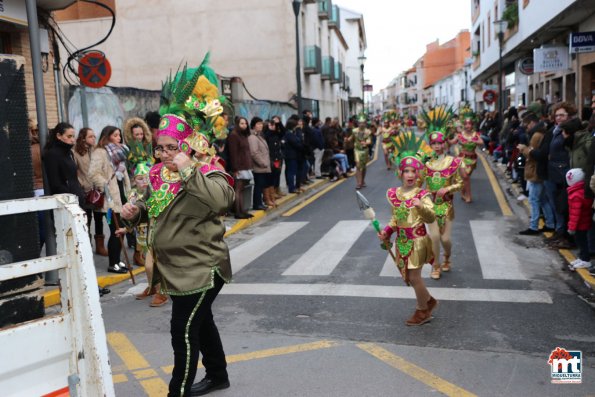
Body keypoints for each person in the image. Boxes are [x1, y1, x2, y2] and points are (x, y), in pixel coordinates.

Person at [122, 55, 235, 396]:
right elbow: (157, 210)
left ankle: (177, 391)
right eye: (160, 148)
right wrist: (136, 212)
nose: (165, 154)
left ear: (187, 146)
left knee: (183, 330)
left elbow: (220, 201)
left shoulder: (209, 168)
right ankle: (218, 375)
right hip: (176, 268)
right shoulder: (157, 174)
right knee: (202, 324)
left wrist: (189, 169)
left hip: (202, 267)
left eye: (173, 148)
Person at [377, 133, 437, 326]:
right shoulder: (395, 194)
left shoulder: (423, 194)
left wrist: (420, 205)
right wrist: (387, 231)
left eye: (413, 171)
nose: (410, 175)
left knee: (414, 277)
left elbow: (431, 217)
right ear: (400, 173)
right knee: (409, 279)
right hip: (402, 242)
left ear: (418, 174)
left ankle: (422, 312)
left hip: (418, 241)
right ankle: (428, 301)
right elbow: (397, 218)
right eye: (406, 171)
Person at [421, 119, 463, 280]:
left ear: (445, 144)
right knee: (434, 237)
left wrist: (448, 188)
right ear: (430, 145)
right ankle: (435, 266)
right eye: (434, 144)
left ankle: (447, 256)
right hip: (430, 205)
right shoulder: (425, 162)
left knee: (445, 239)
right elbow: (418, 184)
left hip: (446, 205)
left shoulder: (453, 162)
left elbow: (460, 183)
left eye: (440, 143)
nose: (437, 146)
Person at [88, 126, 131, 274]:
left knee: (122, 230)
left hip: (122, 197)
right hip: (110, 199)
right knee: (115, 231)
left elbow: (123, 175)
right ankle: (113, 263)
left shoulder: (120, 153)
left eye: (119, 135)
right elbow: (93, 173)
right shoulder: (100, 152)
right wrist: (105, 186)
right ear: (107, 137)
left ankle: (118, 260)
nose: (118, 138)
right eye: (115, 135)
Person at [517, 112, 556, 235]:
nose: (526, 127)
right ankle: (550, 223)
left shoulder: (536, 135)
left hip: (535, 171)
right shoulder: (542, 133)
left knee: (534, 200)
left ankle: (533, 226)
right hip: (540, 171)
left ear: (532, 123)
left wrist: (523, 148)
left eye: (527, 125)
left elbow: (532, 154)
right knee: (543, 199)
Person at [73, 127, 109, 256]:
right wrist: (82, 184)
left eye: (94, 136)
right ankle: (86, 245)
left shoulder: (97, 151)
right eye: (90, 136)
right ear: (83, 138)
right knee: (86, 219)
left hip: (99, 189)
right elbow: (75, 171)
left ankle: (100, 246)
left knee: (99, 217)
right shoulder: (75, 152)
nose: (94, 138)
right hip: (85, 191)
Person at [43, 122, 86, 206]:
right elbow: (55, 182)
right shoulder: (52, 154)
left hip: (76, 197)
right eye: (69, 136)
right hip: (66, 200)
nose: (72, 140)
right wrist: (70, 196)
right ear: (59, 136)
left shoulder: (69, 152)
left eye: (73, 136)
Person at [450, 114, 483, 202]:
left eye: (470, 124)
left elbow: (481, 142)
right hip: (462, 158)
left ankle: (463, 193)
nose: (468, 126)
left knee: (466, 177)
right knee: (465, 177)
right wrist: (445, 137)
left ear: (472, 125)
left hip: (472, 159)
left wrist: (473, 140)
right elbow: (452, 142)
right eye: (466, 124)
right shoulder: (460, 135)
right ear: (464, 125)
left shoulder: (475, 134)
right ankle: (469, 196)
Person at [565, 168, 593, 270]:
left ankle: (585, 260)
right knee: (581, 241)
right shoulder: (581, 191)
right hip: (583, 223)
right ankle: (582, 258)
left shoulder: (576, 195)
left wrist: (571, 227)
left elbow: (575, 214)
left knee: (581, 242)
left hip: (580, 224)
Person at [227, 117, 254, 219]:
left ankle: (242, 210)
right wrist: (235, 169)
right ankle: (238, 212)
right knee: (238, 189)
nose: (244, 125)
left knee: (241, 189)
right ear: (237, 124)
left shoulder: (243, 135)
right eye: (242, 123)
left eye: (245, 123)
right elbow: (233, 154)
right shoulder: (234, 135)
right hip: (239, 167)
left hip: (245, 166)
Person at [248, 117, 273, 210]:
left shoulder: (258, 136)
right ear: (253, 125)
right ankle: (257, 204)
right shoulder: (252, 137)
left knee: (261, 185)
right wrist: (262, 163)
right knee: (258, 186)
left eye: (261, 124)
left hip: (264, 167)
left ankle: (260, 203)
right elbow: (254, 152)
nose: (261, 125)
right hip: (259, 167)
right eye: (258, 124)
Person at [352, 115, 372, 189]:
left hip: (364, 150)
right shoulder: (354, 131)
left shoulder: (368, 131)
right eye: (360, 123)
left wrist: (366, 143)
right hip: (357, 150)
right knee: (358, 165)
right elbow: (351, 138)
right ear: (358, 123)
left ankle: (362, 181)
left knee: (363, 167)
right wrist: (347, 140)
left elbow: (369, 140)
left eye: (363, 123)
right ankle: (358, 183)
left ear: (365, 123)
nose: (361, 124)